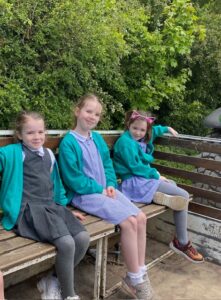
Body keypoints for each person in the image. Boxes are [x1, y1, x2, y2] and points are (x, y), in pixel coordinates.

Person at [58, 94, 154, 300]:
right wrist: (100, 189)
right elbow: (73, 178)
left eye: (97, 114)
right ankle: (136, 280)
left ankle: (138, 273)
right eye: (88, 111)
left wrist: (110, 184)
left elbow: (108, 165)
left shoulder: (98, 138)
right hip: (84, 195)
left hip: (105, 191)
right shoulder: (69, 142)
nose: (92, 117)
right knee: (128, 223)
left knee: (141, 218)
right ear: (77, 111)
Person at [0, 111, 89, 300]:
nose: (37, 137)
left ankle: (53, 280)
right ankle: (69, 296)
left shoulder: (48, 154)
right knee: (66, 243)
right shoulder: (14, 153)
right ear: (19, 135)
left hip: (51, 207)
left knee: (82, 238)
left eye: (40, 132)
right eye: (30, 133)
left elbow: (56, 186)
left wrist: (66, 209)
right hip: (28, 211)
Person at [113, 110, 204, 264]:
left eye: (142, 130)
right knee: (183, 195)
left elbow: (153, 130)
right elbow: (134, 167)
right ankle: (181, 243)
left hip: (142, 180)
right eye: (135, 128)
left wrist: (167, 128)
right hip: (132, 183)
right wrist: (156, 175)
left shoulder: (143, 137)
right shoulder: (125, 142)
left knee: (173, 185)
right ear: (128, 125)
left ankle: (154, 196)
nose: (138, 133)